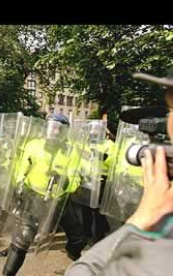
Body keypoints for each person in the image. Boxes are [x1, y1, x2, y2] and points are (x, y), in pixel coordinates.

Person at [64, 69, 173, 276]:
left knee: (100, 222)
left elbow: (85, 271)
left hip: (118, 188)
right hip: (96, 188)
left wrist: (139, 222)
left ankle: (94, 238)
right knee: (89, 220)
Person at [1, 114, 84, 276]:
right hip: (33, 198)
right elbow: (21, 168)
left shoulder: (72, 151)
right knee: (22, 238)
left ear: (65, 131)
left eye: (59, 128)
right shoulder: (33, 145)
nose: (54, 131)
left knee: (78, 237)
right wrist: (19, 183)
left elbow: (76, 179)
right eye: (51, 126)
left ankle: (74, 259)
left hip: (59, 201)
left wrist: (64, 180)